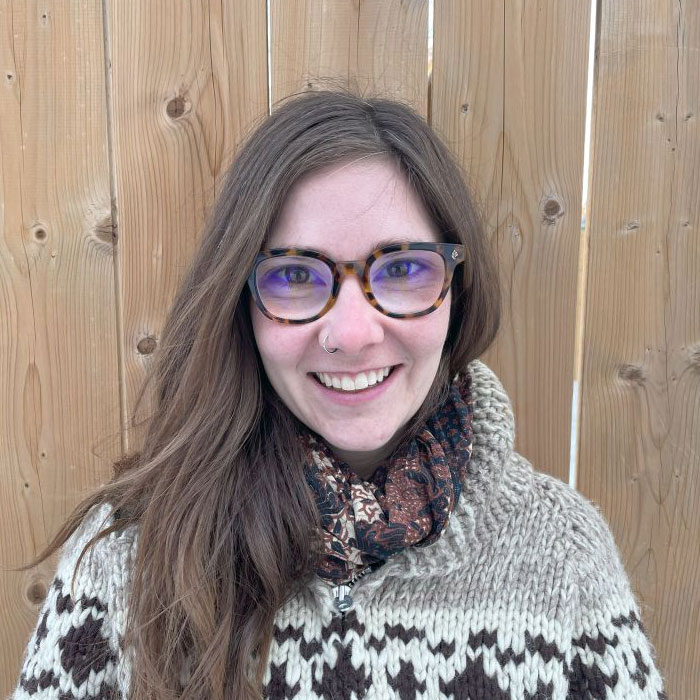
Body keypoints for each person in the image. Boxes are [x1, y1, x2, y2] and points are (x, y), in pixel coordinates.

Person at [10, 90, 667, 700]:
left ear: (456, 292)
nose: (352, 334)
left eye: (404, 268)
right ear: (241, 303)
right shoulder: (128, 556)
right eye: (296, 274)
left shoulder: (565, 552)